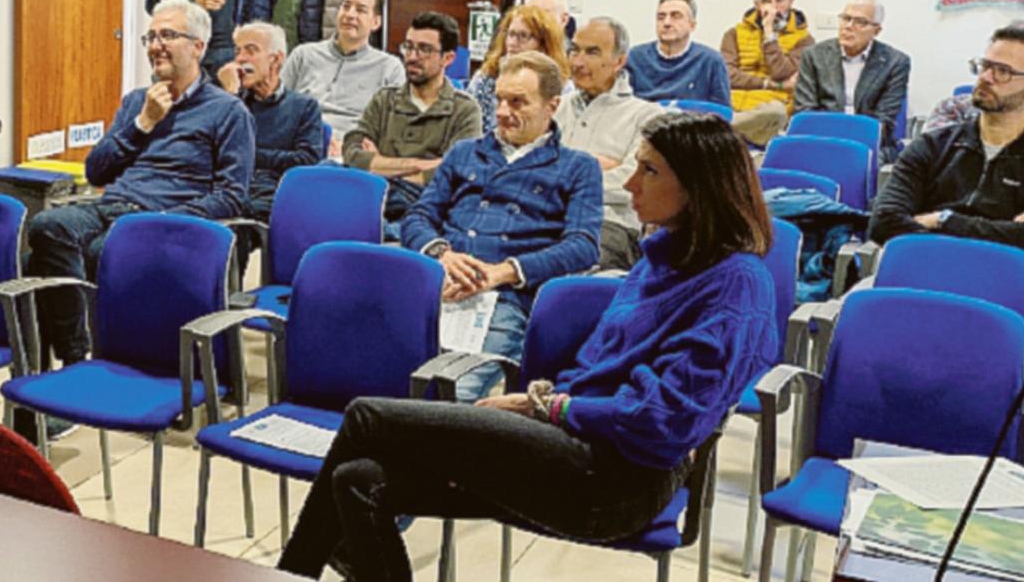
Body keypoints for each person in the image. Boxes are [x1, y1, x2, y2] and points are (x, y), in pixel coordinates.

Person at [278, 111, 778, 582]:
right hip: (579, 442)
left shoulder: (736, 285)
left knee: (368, 417)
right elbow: (600, 365)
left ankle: (287, 574)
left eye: (648, 171)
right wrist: (546, 407)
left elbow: (662, 422)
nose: (629, 185)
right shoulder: (665, 253)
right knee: (357, 479)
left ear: (698, 188)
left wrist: (551, 408)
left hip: (620, 478)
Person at [25, 0, 254, 364]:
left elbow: (231, 195)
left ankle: (62, 374)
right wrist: (143, 123)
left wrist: (168, 220)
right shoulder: (137, 102)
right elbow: (95, 171)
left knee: (47, 262)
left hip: (164, 217)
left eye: (167, 35)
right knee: (47, 226)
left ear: (198, 47)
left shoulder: (227, 112)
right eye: (150, 37)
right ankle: (76, 356)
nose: (154, 46)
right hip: (111, 205)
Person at [400, 52, 601, 403]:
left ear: (551, 105)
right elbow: (418, 217)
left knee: (447, 397)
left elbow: (583, 246)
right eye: (500, 100)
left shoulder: (577, 167)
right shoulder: (465, 152)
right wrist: (442, 254)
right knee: (376, 378)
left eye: (518, 102)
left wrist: (503, 273)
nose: (503, 112)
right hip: (435, 283)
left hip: (501, 299)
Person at [870, 22, 1024, 263]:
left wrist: (943, 219)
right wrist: (1006, 230)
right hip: (918, 269)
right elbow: (883, 223)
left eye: (1003, 71)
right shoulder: (932, 146)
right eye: (984, 66)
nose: (986, 78)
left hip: (998, 285)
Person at [344, 12, 482, 225]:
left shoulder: (464, 109)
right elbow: (353, 154)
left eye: (425, 49)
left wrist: (381, 166)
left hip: (424, 209)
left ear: (448, 58)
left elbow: (456, 173)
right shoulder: (385, 99)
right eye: (408, 47)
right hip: (372, 200)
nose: (412, 56)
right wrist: (420, 165)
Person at [215, 21, 324, 260]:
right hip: (226, 188)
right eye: (237, 51)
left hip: (272, 194)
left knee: (234, 219)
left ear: (276, 60)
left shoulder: (304, 107)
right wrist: (231, 98)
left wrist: (249, 156)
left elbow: (307, 161)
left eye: (250, 50)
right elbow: (213, 149)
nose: (240, 60)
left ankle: (226, 293)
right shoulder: (229, 101)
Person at [561, 17, 664, 269]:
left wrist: (561, 178)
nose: (578, 62)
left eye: (592, 52)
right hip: (542, 219)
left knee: (574, 263)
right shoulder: (556, 108)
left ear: (620, 61)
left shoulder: (647, 116)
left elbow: (633, 184)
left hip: (607, 225)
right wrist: (594, 166)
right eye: (574, 50)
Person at [282, 0, 405, 144]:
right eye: (346, 6)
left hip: (351, 148)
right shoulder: (303, 54)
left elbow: (395, 127)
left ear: (376, 22)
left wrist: (349, 147)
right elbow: (278, 105)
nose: (350, 15)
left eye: (360, 10)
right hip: (299, 142)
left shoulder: (390, 67)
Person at [793, 0, 911, 160]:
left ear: (876, 31)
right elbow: (805, 110)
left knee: (860, 161)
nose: (848, 27)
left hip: (869, 143)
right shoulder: (814, 56)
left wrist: (849, 144)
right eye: (846, 19)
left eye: (860, 22)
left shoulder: (895, 62)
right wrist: (832, 142)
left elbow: (884, 121)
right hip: (822, 138)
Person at [721, 0, 814, 146]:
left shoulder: (804, 40)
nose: (774, 7)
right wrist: (770, 84)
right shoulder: (734, 33)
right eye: (766, 1)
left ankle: (724, 131)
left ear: (791, 1)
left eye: (780, 0)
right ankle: (732, 131)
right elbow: (726, 74)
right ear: (756, 4)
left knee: (775, 112)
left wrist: (769, 33)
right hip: (733, 107)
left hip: (768, 113)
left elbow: (782, 72)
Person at [467, 4, 570, 135]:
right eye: (511, 34)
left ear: (544, 45)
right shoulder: (486, 77)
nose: (513, 42)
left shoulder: (562, 87)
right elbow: (469, 126)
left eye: (523, 36)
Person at [625, 0, 730, 108]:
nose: (666, 23)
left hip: (693, 123)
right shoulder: (634, 57)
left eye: (676, 16)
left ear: (692, 25)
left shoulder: (711, 61)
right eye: (661, 17)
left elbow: (722, 112)